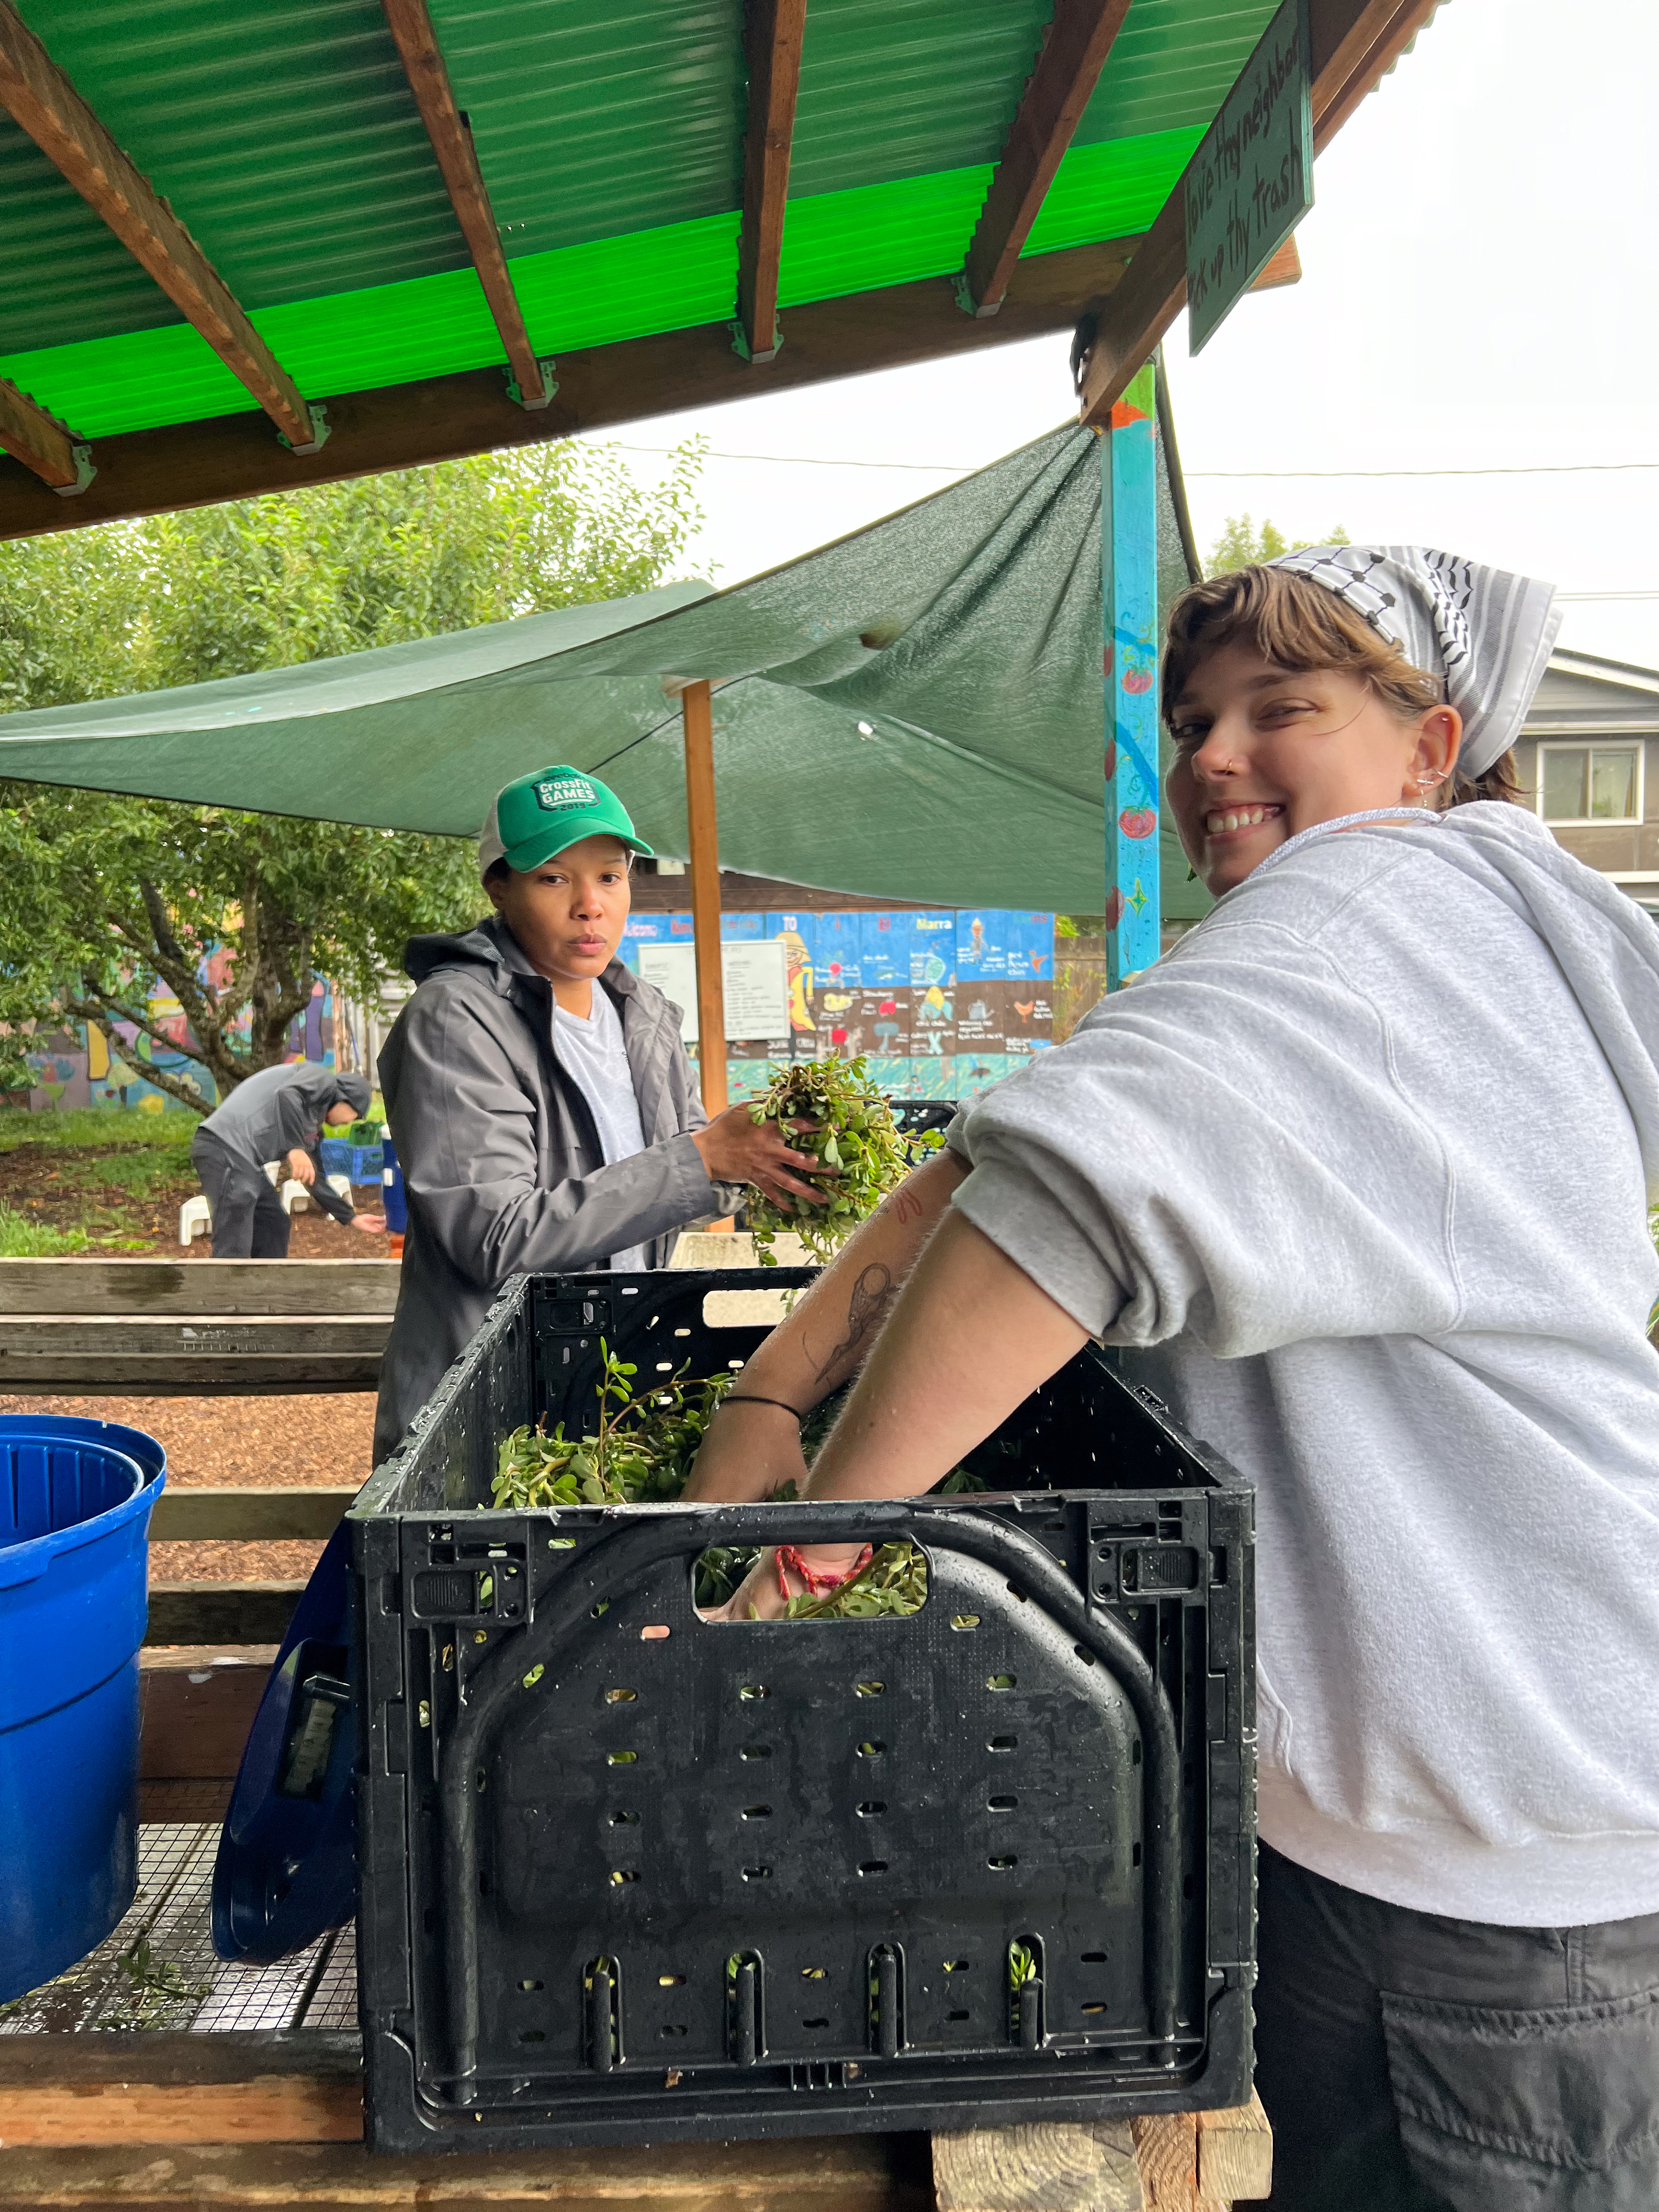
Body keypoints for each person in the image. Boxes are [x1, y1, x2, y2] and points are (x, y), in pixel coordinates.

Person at [684, 548, 1659, 2211]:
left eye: (1285, 712)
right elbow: (982, 1177)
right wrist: (770, 1396)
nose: (1214, 756)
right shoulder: (1411, 944)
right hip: (1477, 1824)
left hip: (1490, 1895)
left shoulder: (1378, 904)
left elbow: (1064, 1207)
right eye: (1194, 718)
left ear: (1430, 747)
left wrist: (816, 1539)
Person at [372, 763, 827, 1463]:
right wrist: (703, 1158)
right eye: (555, 879)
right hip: (490, 1413)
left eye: (611, 877)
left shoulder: (641, 1013)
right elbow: (494, 1237)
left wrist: (765, 1163)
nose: (591, 905)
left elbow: (670, 1192)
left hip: (614, 1394)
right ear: (499, 886)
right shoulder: (457, 1020)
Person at [190, 1064, 375, 1257]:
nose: (350, 1123)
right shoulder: (324, 1080)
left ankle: (268, 1285)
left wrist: (351, 1217)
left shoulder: (310, 1125)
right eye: (356, 1117)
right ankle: (228, 1286)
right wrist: (295, 1148)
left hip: (244, 1160)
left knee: (273, 1222)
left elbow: (315, 1180)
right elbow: (287, 1095)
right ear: (346, 1099)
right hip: (222, 1146)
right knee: (234, 1237)